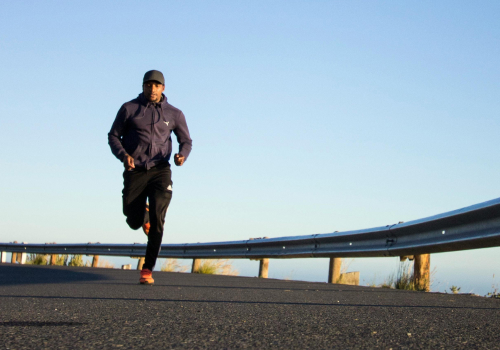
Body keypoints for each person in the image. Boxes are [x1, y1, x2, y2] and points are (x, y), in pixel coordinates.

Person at [108, 70, 192, 285]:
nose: (152, 89)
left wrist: (182, 155)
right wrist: (124, 155)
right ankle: (141, 216)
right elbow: (113, 136)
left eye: (157, 86)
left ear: (163, 88)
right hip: (135, 170)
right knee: (133, 220)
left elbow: (186, 140)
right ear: (143, 86)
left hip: (160, 170)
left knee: (158, 218)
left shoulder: (174, 113)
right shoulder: (129, 109)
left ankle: (147, 269)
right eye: (148, 85)